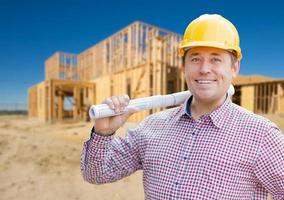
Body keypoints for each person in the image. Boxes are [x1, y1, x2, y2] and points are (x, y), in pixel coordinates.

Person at [80, 14, 284, 199]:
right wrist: (103, 133)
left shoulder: (262, 136)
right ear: (183, 66)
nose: (204, 69)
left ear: (234, 68)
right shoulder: (151, 127)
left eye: (215, 59)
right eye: (195, 59)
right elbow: (96, 174)